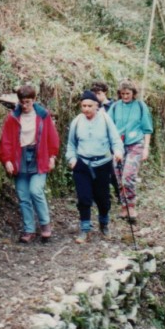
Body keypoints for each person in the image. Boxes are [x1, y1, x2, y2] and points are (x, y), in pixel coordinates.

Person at [0, 84, 60, 243]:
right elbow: (6, 141)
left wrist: (52, 156)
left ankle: (45, 225)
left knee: (35, 190)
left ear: (34, 100)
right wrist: (7, 160)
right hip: (20, 157)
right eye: (22, 102)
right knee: (23, 195)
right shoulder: (13, 117)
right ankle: (29, 229)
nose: (25, 106)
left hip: (39, 156)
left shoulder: (43, 115)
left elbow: (52, 137)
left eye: (28, 102)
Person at [65, 89, 123, 243]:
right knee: (84, 198)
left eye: (89, 106)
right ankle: (85, 229)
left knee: (103, 199)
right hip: (82, 164)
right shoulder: (77, 121)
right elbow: (71, 144)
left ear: (97, 105)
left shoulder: (105, 119)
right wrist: (72, 159)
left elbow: (115, 140)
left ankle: (103, 224)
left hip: (103, 164)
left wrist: (118, 152)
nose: (86, 109)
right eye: (83, 106)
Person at [107, 79, 153, 221]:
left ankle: (131, 205)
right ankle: (123, 206)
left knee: (128, 176)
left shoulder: (140, 106)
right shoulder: (114, 107)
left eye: (128, 93)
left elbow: (147, 129)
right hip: (118, 147)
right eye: (122, 94)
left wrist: (146, 148)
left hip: (135, 145)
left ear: (133, 93)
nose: (125, 96)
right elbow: (108, 126)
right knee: (119, 177)